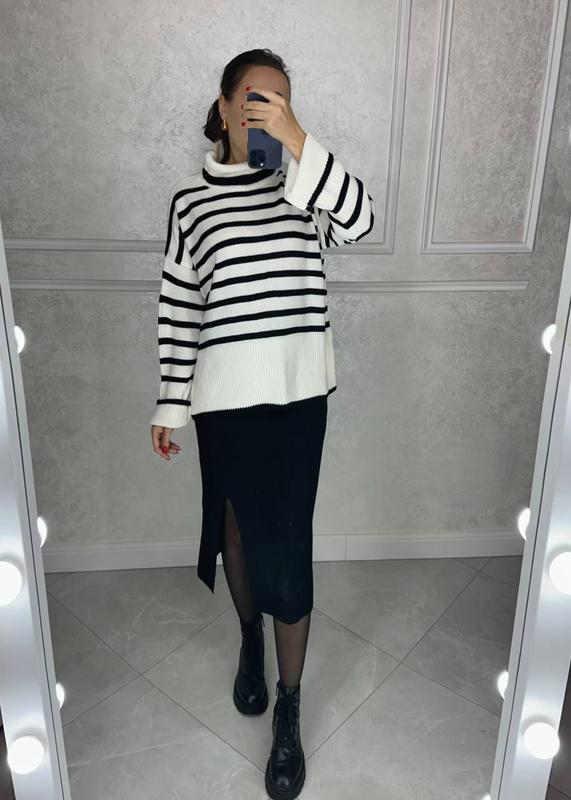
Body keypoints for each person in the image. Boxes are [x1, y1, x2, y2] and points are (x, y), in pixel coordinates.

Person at [150, 48, 375, 800]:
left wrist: (298, 140)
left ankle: (290, 703)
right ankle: (249, 637)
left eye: (279, 101)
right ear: (223, 108)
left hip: (296, 399)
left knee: (289, 541)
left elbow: (362, 219)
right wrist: (170, 402)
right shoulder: (191, 203)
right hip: (222, 400)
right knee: (237, 531)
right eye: (253, 99)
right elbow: (180, 307)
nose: (264, 111)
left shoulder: (304, 188)